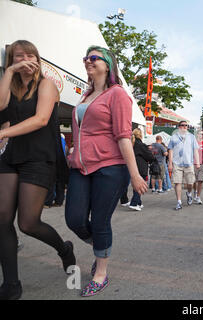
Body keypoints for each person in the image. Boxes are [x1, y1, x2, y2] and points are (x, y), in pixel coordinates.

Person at [65, 46, 148, 297]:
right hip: (81, 167)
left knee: (101, 221)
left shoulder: (118, 94)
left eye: (93, 58)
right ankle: (102, 244)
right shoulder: (85, 95)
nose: (88, 62)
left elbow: (123, 136)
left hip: (110, 167)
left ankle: (100, 273)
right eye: (85, 58)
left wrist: (135, 175)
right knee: (75, 219)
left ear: (108, 64)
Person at [0, 40, 75, 300]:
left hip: (38, 158)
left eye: (30, 55)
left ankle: (64, 249)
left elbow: (41, 119)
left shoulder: (47, 85)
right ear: (12, 60)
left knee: (28, 223)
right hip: (9, 157)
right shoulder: (10, 85)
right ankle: (11, 284)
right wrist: (8, 73)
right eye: (19, 57)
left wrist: (3, 132)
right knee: (1, 218)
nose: (26, 60)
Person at [168, 121, 200, 210]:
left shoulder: (192, 137)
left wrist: (197, 162)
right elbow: (170, 150)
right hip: (177, 163)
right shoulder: (174, 137)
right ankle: (179, 201)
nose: (185, 127)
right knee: (177, 182)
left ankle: (189, 193)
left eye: (186, 125)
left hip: (189, 163)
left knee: (190, 183)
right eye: (183, 125)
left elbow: (196, 151)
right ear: (179, 127)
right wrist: (170, 163)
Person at [129, 129, 155, 211]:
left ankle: (138, 202)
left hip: (132, 166)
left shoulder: (131, 144)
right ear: (140, 135)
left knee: (136, 185)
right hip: (141, 167)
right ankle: (133, 203)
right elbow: (150, 156)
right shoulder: (141, 145)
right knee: (140, 185)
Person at [193, 130, 203, 204]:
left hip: (202, 164)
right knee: (194, 181)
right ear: (197, 135)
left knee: (200, 181)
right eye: (201, 134)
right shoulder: (194, 142)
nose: (202, 135)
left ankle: (198, 197)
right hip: (194, 164)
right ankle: (195, 192)